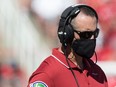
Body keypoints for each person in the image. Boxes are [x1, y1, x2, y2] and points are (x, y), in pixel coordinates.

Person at [27, 4, 108, 87]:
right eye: (86, 34)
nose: (92, 38)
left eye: (95, 33)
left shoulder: (98, 73)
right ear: (67, 33)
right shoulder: (47, 74)